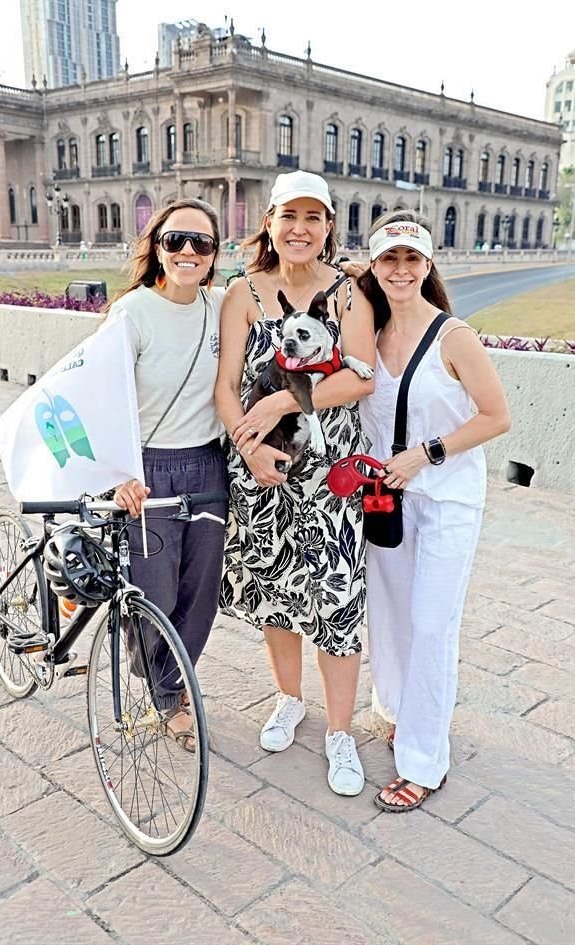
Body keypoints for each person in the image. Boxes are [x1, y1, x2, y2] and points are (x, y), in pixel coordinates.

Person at [215, 170, 376, 796]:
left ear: (329, 226)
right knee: (274, 594)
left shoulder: (350, 294)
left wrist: (286, 401)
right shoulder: (242, 294)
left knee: (336, 600)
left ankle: (340, 731)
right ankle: (288, 699)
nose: (300, 229)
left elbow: (359, 378)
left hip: (330, 473)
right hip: (260, 469)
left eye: (314, 218)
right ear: (270, 223)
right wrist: (249, 451)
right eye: (289, 217)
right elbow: (226, 388)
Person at [357, 210, 511, 811]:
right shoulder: (367, 337)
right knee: (390, 615)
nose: (400, 269)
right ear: (374, 265)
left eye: (411, 258)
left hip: (445, 500)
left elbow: (497, 416)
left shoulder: (455, 337)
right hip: (385, 500)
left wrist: (427, 454)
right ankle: (397, 709)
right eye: (388, 258)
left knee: (430, 624)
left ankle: (424, 759)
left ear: (428, 266)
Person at [105, 198, 228, 750]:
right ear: (157, 245)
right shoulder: (131, 312)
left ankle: (171, 682)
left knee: (200, 591)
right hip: (147, 467)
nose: (187, 251)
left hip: (206, 464)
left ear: (213, 255)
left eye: (200, 243)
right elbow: (106, 398)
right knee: (153, 592)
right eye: (176, 239)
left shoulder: (223, 306)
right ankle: (164, 692)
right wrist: (121, 473)